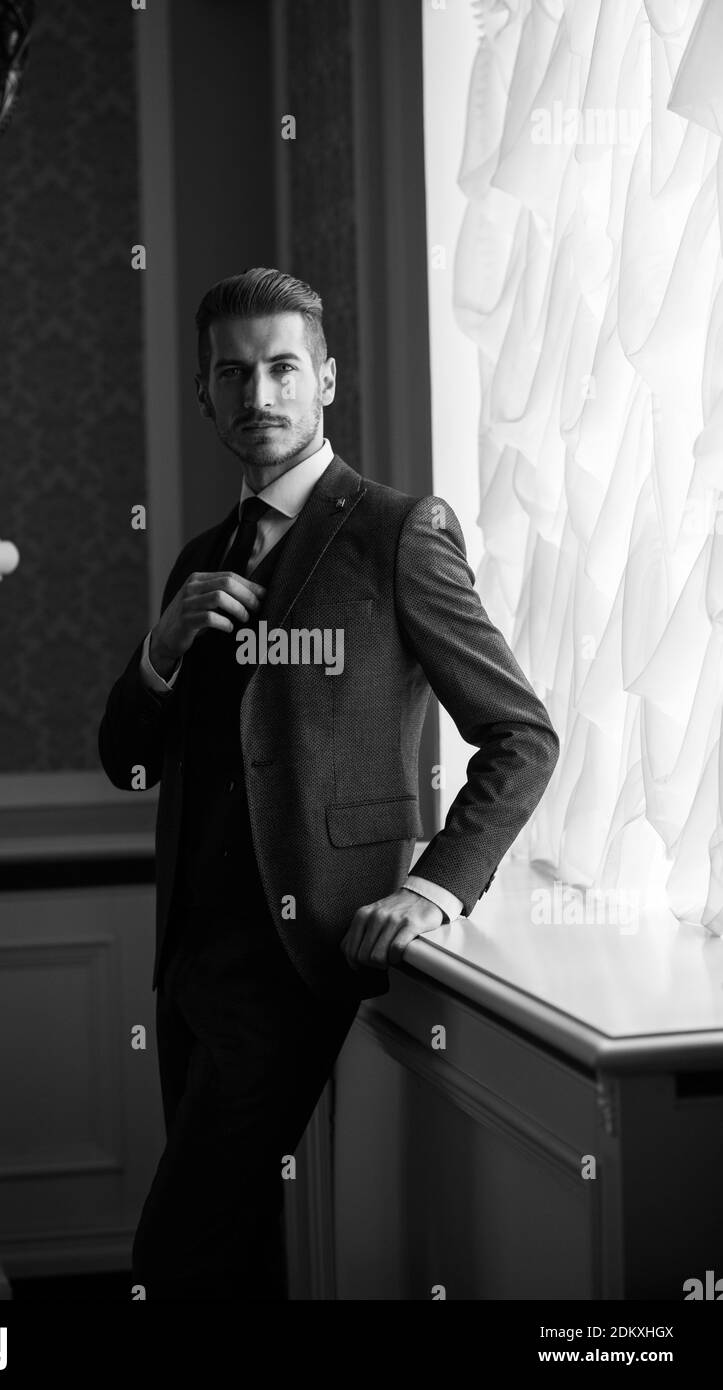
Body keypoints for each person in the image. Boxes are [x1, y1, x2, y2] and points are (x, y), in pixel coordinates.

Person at [98, 267, 560, 1300]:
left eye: (281, 368)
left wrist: (432, 887)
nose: (257, 395)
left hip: (307, 957)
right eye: (233, 373)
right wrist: (159, 654)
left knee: (177, 1250)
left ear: (327, 380)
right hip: (193, 963)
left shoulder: (399, 531)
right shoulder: (194, 562)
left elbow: (521, 736)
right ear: (208, 396)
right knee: (238, 1246)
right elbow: (126, 760)